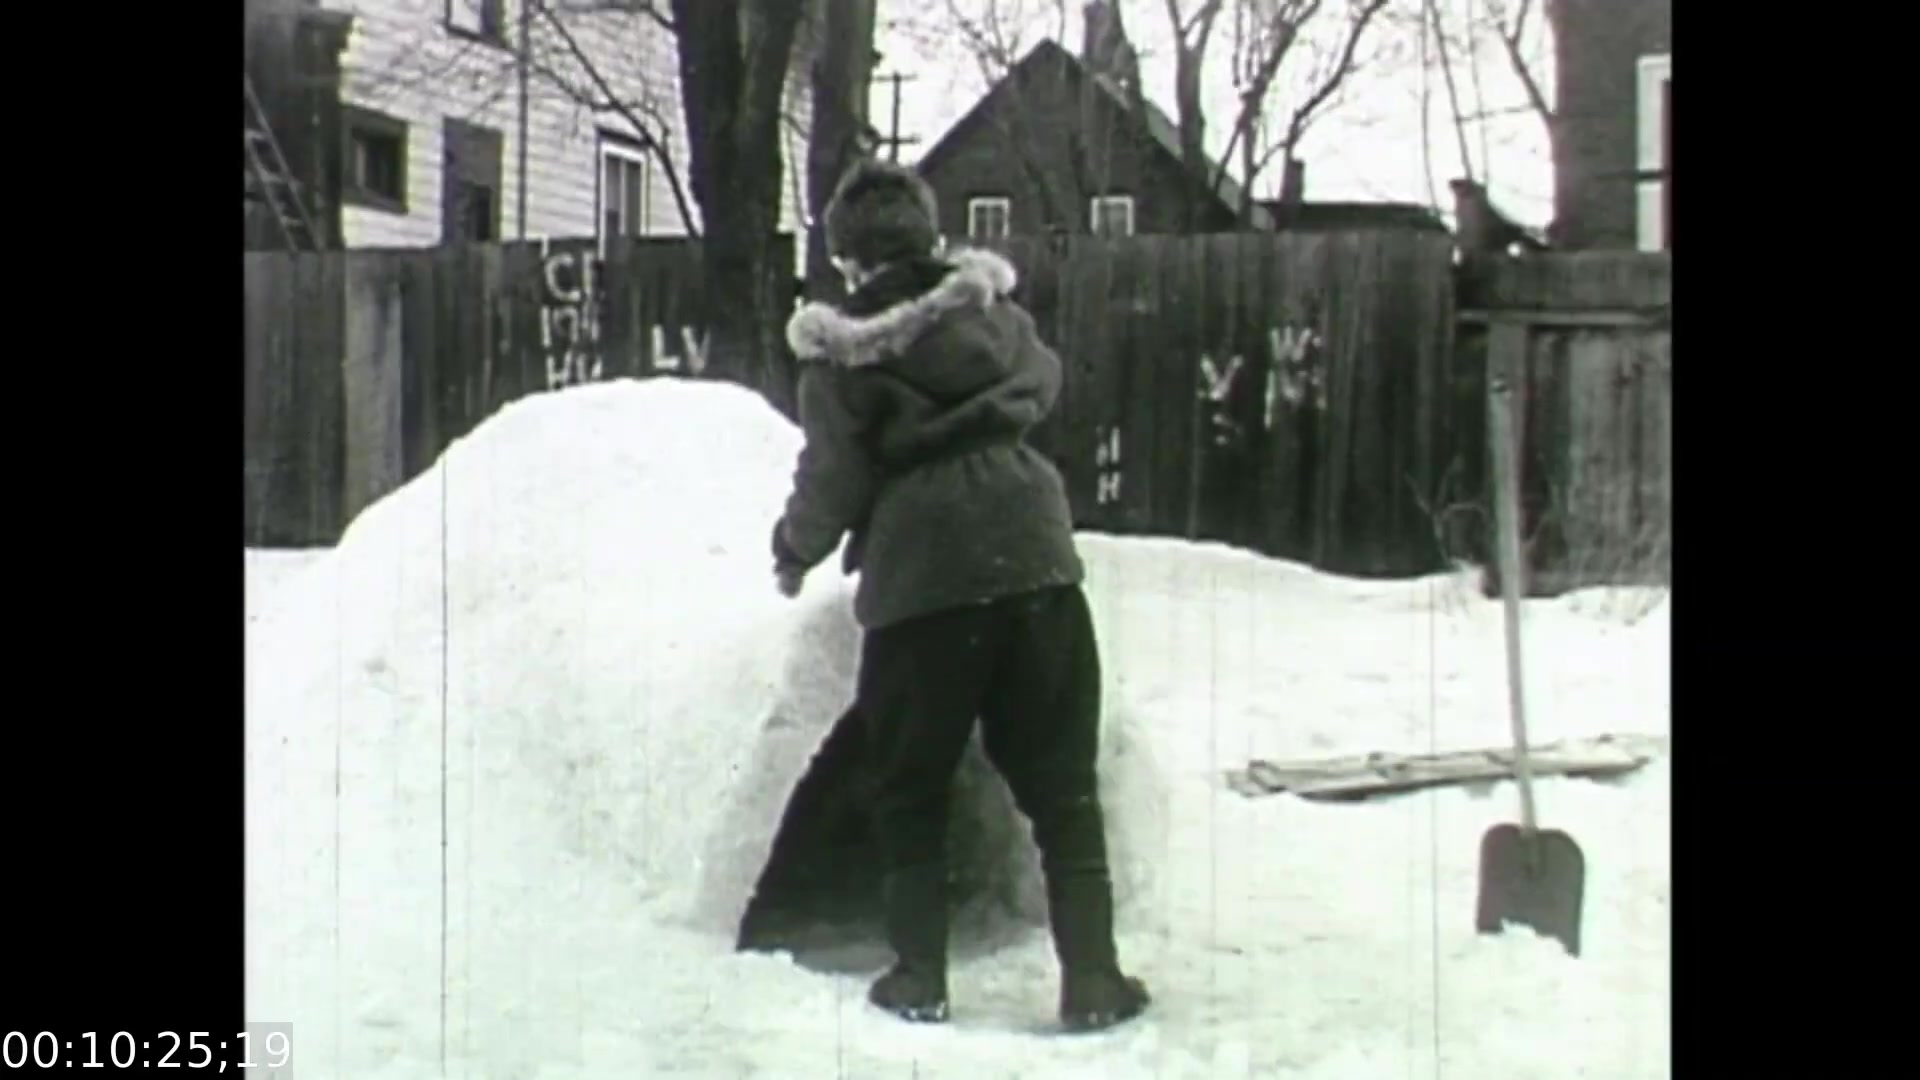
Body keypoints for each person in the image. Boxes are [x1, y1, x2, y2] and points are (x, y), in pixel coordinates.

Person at [768, 159, 1150, 1032]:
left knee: (912, 784)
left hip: (923, 578)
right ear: (931, 241)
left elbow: (832, 477)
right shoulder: (995, 317)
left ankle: (918, 976)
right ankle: (1093, 981)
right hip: (1035, 558)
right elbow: (1046, 383)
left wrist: (794, 549)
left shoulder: (839, 355)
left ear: (849, 262)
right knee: (1063, 785)